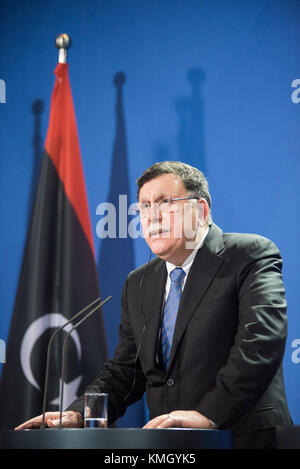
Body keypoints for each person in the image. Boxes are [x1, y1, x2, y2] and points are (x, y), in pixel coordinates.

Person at [16, 161, 292, 448]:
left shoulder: (248, 255)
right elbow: (126, 370)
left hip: (243, 438)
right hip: (169, 445)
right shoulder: (139, 282)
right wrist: (78, 413)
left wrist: (207, 415)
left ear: (201, 211)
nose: (152, 216)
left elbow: (260, 343)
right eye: (144, 206)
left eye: (165, 202)